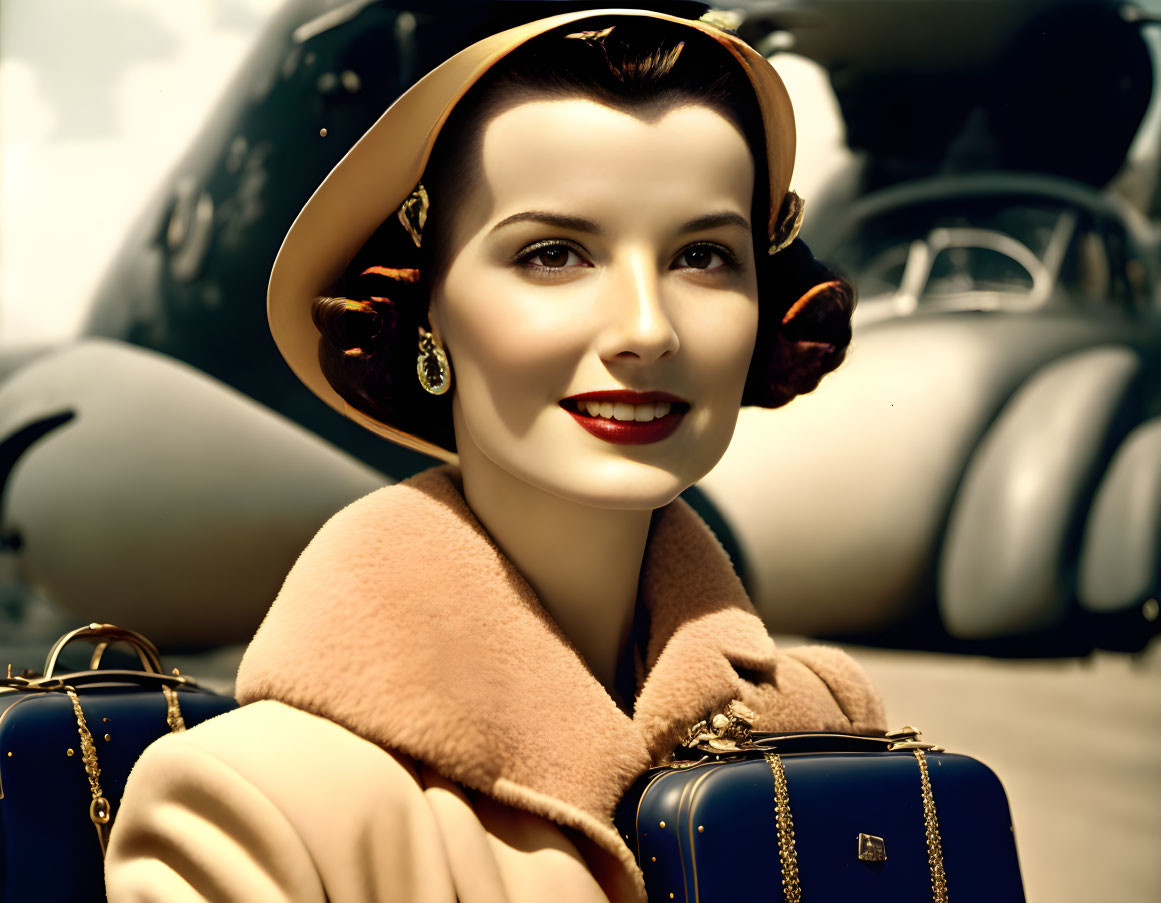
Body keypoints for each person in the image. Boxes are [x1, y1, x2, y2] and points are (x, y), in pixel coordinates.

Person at [105, 9, 885, 902]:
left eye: (703, 256)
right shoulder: (253, 807)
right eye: (553, 254)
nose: (645, 328)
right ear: (424, 303)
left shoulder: (830, 727)